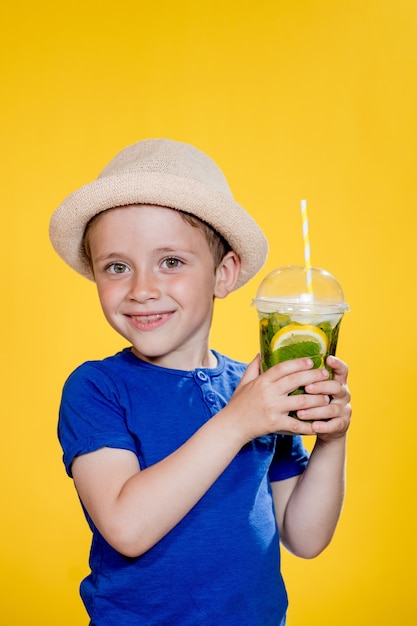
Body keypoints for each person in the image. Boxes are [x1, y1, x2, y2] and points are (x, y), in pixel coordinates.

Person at [49, 138, 351, 626]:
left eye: (171, 262)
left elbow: (306, 537)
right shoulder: (97, 388)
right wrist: (238, 422)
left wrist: (332, 440)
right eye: (117, 267)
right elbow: (126, 526)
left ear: (223, 274)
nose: (142, 289)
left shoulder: (255, 391)